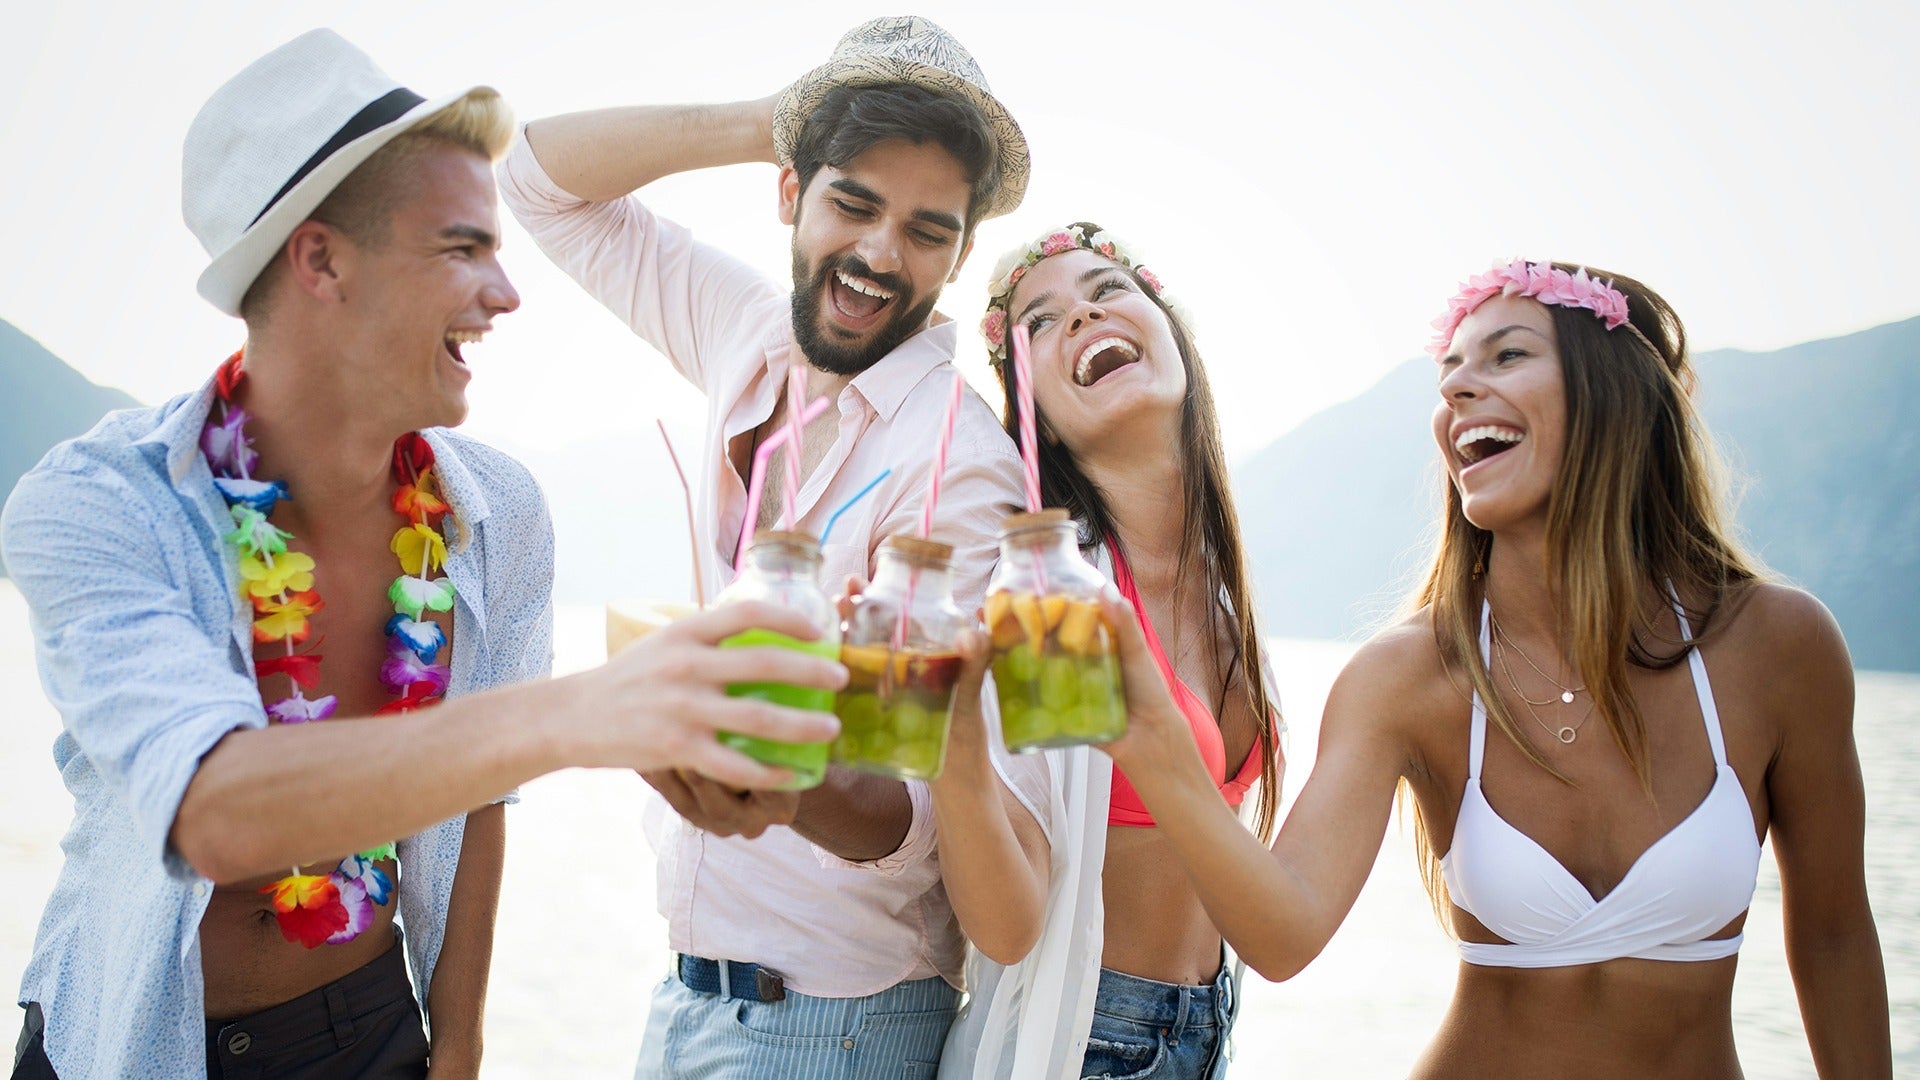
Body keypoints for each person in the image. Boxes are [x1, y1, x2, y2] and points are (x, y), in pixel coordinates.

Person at [2, 30, 841, 1080]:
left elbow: (482, 806)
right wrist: (590, 711)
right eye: (461, 249)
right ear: (321, 261)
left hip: (367, 1033)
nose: (507, 292)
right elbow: (213, 810)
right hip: (127, 1037)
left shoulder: (499, 514)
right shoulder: (102, 503)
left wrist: (461, 1046)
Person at [1098, 260, 1892, 1077]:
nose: (1456, 389)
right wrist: (1158, 746)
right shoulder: (1408, 674)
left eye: (1507, 355)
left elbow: (1834, 936)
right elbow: (1282, 936)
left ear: (1617, 392)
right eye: (1449, 373)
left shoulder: (1777, 645)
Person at [497, 16, 1031, 1074]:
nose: (880, 256)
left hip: (837, 1021)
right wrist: (774, 120)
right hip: (688, 994)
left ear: (962, 255)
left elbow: (914, 810)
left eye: (928, 231)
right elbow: (537, 178)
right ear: (790, 192)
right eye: (853, 203)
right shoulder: (749, 330)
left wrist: (758, 756)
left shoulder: (959, 469)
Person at [929, 223, 1285, 1079]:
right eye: (1041, 322)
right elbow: (1006, 926)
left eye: (1105, 290)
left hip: (1209, 1031)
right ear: (1039, 423)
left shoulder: (1223, 584)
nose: (1083, 316)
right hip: (1088, 1044)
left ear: (1174, 337)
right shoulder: (1050, 601)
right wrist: (948, 742)